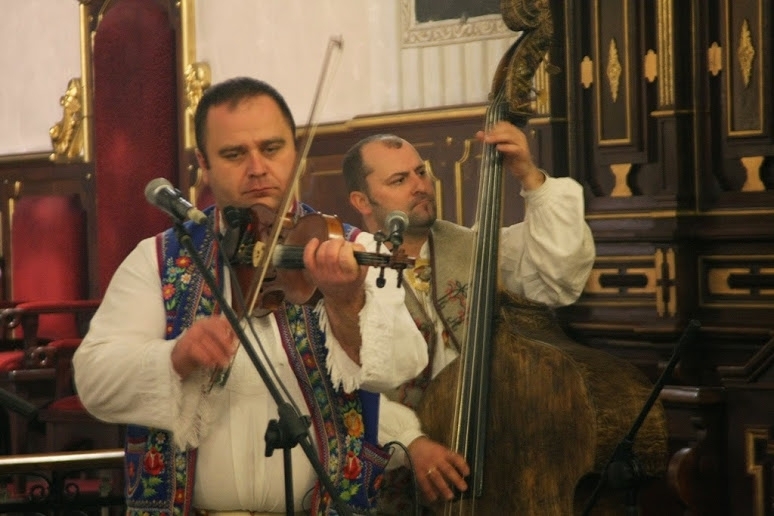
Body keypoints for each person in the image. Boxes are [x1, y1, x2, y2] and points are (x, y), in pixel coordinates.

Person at [72, 77, 429, 516]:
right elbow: (94, 382)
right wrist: (174, 357)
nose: (257, 168)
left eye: (272, 148)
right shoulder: (158, 258)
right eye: (234, 154)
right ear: (204, 164)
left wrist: (346, 303)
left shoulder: (354, 249)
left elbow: (401, 366)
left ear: (296, 151)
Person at [341, 126, 596, 512]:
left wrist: (529, 176)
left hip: (494, 456)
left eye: (421, 172)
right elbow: (345, 385)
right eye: (399, 179)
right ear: (362, 200)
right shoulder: (346, 275)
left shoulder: (476, 248)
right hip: (394, 473)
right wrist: (411, 442)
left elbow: (558, 279)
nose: (419, 186)